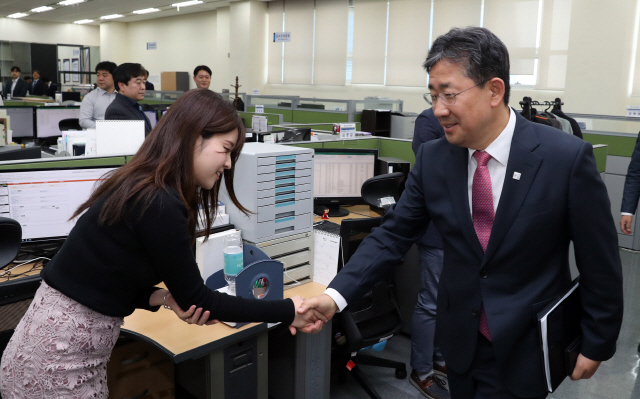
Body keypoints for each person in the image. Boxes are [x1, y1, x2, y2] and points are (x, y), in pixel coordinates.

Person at [298, 27, 623, 399]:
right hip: (460, 341)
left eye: (449, 95)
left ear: (494, 91)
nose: (438, 110)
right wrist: (334, 296)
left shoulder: (563, 158)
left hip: (527, 342)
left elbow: (599, 259)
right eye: (433, 96)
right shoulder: (435, 159)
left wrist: (598, 340)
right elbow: (393, 235)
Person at [0, 89, 324, 398]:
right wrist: (287, 311)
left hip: (52, 349)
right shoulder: (159, 200)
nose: (228, 164)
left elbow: (113, 273)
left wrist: (165, 296)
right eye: (225, 150)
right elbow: (200, 299)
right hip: (55, 362)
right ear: (194, 137)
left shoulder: (143, 184)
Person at [409, 107, 449, 399]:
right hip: (437, 231)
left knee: (448, 301)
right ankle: (421, 371)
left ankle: (439, 357)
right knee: (431, 302)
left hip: (464, 232)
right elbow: (433, 171)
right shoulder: (428, 120)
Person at [105, 63, 152, 136]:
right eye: (138, 82)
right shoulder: (116, 111)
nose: (143, 87)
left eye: (143, 82)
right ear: (122, 85)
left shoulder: (134, 106)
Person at [79, 61, 118, 129]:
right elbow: (84, 121)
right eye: (98, 75)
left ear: (114, 76)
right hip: (96, 135)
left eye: (104, 75)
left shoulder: (122, 96)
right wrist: (104, 129)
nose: (100, 78)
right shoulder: (90, 97)